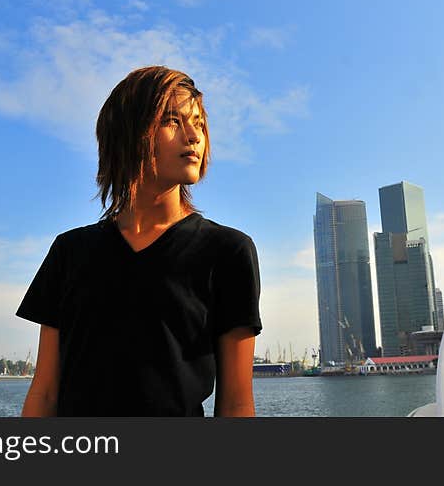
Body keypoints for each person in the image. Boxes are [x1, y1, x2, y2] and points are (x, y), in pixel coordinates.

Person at [17, 66, 262, 417]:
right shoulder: (69, 252)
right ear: (130, 134)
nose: (194, 135)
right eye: (173, 121)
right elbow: (43, 393)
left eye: (200, 124)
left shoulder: (228, 251)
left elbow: (237, 403)